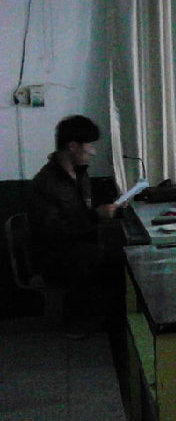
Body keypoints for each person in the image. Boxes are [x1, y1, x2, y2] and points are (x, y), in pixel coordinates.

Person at [28, 115, 125, 336]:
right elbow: (52, 232)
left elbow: (79, 216)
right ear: (73, 146)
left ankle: (111, 320)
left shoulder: (80, 175)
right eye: (89, 145)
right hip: (55, 257)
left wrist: (102, 213)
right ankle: (94, 321)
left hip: (78, 246)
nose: (93, 152)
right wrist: (95, 216)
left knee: (122, 247)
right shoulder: (46, 184)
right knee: (113, 258)